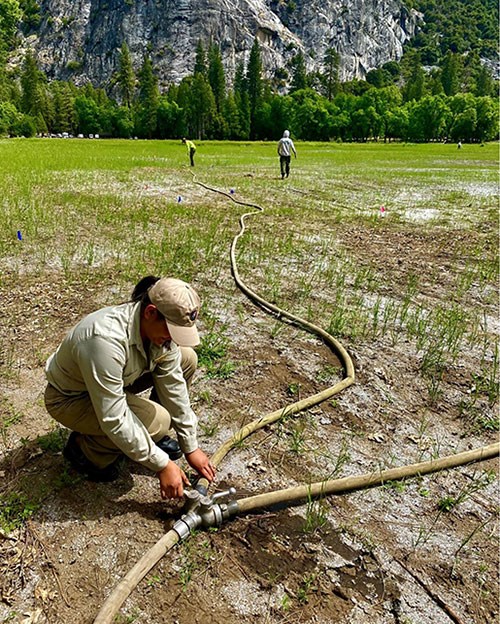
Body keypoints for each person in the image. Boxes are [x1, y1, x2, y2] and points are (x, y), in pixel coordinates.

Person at [44, 276, 216, 499]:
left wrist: (190, 446)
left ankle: (147, 435)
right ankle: (85, 451)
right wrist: (162, 465)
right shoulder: (104, 339)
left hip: (108, 384)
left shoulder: (157, 332)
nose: (172, 340)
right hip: (70, 399)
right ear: (150, 313)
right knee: (160, 421)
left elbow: (173, 385)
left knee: (187, 359)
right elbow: (114, 417)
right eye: (171, 332)